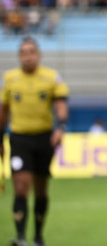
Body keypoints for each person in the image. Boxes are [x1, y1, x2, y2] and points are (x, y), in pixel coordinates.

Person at [0, 37, 69, 246]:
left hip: (44, 138)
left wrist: (61, 128)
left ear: (38, 55)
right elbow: (3, 111)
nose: (28, 56)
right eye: (24, 52)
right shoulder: (9, 79)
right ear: (19, 56)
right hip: (20, 138)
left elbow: (61, 106)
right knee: (21, 187)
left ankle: (38, 236)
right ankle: (20, 238)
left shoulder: (51, 78)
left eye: (31, 52)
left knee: (41, 191)